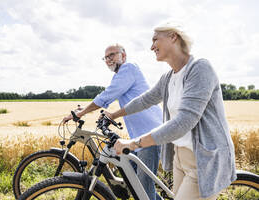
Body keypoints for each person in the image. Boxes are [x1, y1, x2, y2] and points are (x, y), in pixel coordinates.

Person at [104, 23, 237, 200]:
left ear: (173, 37)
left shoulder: (199, 69)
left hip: (203, 159)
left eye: (155, 40)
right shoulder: (169, 77)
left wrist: (134, 143)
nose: (151, 46)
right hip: (180, 157)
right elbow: (145, 100)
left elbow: (183, 122)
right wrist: (113, 115)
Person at [62, 44, 163, 200]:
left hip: (150, 134)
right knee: (135, 183)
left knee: (144, 188)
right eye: (106, 57)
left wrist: (82, 113)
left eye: (112, 55)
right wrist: (87, 108)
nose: (109, 59)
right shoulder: (119, 75)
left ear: (124, 55)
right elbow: (109, 95)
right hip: (138, 137)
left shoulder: (129, 68)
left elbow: (108, 94)